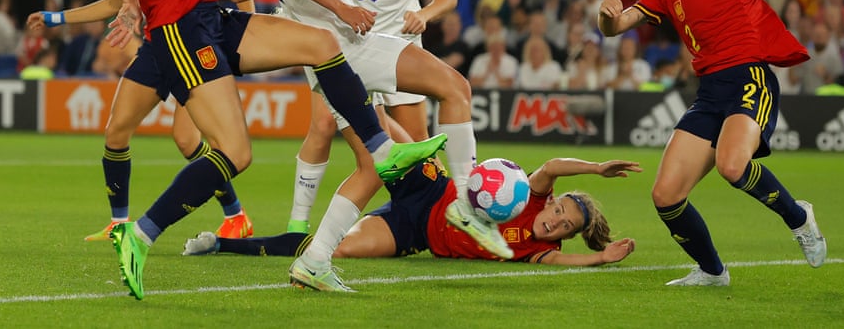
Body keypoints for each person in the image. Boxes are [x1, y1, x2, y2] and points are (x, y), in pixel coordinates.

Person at [80, 0, 445, 300]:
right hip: (188, 35)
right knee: (235, 152)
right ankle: (140, 234)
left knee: (321, 43)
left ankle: (383, 150)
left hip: (210, 22)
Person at [254, 0, 511, 292]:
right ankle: (466, 208)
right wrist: (344, 8)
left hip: (347, 47)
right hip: (347, 46)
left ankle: (314, 260)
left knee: (378, 166)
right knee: (455, 89)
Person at [597, 0, 834, 286]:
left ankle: (799, 218)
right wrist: (605, 17)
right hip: (709, 92)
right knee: (666, 195)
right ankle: (712, 272)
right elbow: (619, 25)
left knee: (732, 165)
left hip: (748, 78)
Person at [27, 0, 257, 242]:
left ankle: (236, 216)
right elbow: (113, 3)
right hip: (157, 47)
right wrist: (56, 18)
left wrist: (249, 33)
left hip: (191, 42)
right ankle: (120, 224)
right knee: (116, 132)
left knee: (189, 140)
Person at [285, 0, 458, 235]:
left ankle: (434, 218)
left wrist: (426, 15)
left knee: (418, 151)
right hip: (351, 46)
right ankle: (297, 225)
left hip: (401, 48)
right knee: (323, 122)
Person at [183, 156, 641, 268]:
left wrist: (600, 258)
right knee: (380, 140)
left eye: (565, 225)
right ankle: (351, 91)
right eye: (561, 208)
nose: (555, 219)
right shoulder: (531, 197)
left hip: (415, 230)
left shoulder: (540, 249)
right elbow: (552, 167)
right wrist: (598, 168)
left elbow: (563, 261)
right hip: (434, 186)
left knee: (336, 249)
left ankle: (222, 243)